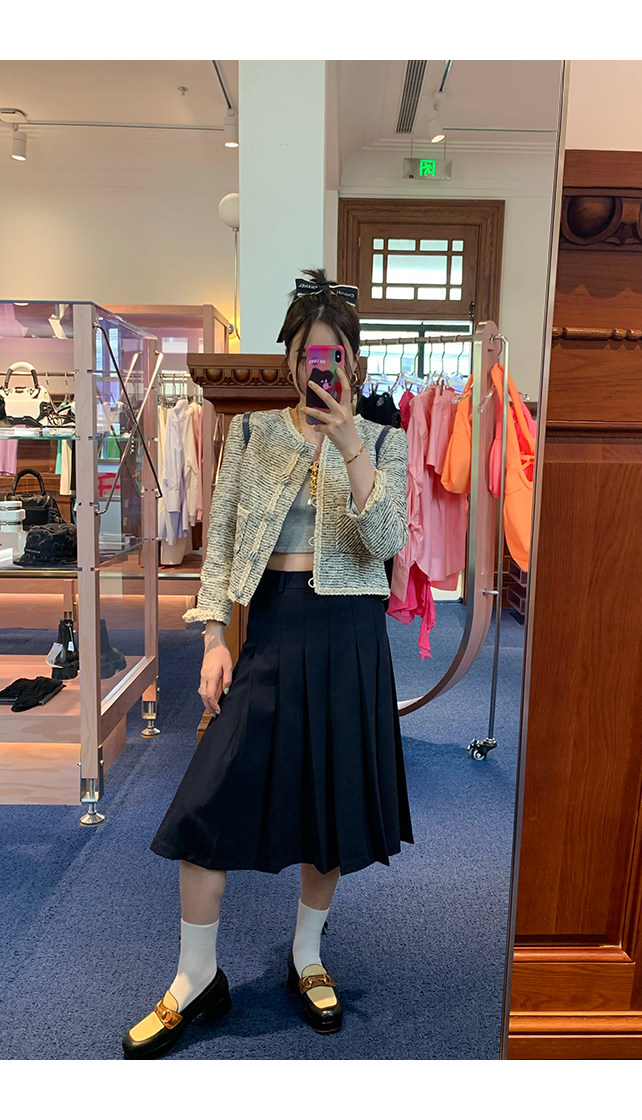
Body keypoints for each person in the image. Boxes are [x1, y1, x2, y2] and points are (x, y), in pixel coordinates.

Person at [122, 270, 414, 1059]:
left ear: (354, 361)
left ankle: (307, 955)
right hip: (275, 632)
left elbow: (388, 541)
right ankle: (196, 978)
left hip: (351, 640)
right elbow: (220, 539)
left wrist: (351, 443)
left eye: (337, 355)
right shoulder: (252, 433)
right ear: (290, 361)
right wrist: (214, 636)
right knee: (203, 806)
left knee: (332, 815)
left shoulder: (384, 439)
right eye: (311, 355)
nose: (324, 368)